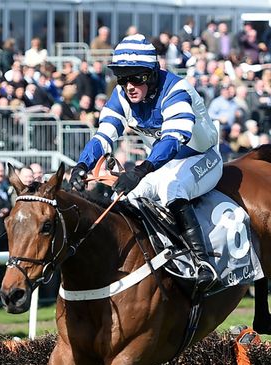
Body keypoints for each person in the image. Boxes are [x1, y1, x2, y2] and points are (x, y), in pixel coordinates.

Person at [68, 34, 221, 300]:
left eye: (136, 77)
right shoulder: (121, 95)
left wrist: (140, 170)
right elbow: (104, 136)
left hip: (202, 156)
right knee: (128, 197)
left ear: (151, 74)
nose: (129, 86)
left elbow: (174, 140)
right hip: (165, 162)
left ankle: (202, 262)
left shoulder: (175, 90)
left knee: (172, 188)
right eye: (123, 78)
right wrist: (82, 164)